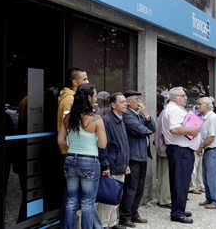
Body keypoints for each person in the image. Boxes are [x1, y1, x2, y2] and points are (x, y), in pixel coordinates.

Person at [57, 83, 108, 229]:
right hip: (89, 161)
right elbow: (103, 144)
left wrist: (73, 142)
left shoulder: (68, 118)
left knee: (71, 201)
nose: (96, 98)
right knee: (87, 203)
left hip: (70, 158)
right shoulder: (96, 119)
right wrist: (93, 140)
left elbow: (60, 140)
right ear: (89, 97)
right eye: (95, 95)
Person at [161, 87, 200, 224]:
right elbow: (175, 129)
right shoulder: (173, 110)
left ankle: (180, 208)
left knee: (182, 182)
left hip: (182, 150)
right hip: (180, 150)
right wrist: (193, 130)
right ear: (173, 97)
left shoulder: (176, 109)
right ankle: (177, 212)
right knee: (179, 182)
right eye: (182, 95)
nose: (185, 97)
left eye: (185, 95)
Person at [56, 67, 89, 226]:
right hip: (72, 152)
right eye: (85, 79)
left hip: (73, 151)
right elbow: (72, 129)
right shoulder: (70, 100)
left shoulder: (73, 97)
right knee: (71, 196)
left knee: (72, 195)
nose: (88, 82)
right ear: (75, 82)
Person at [118, 90, 156, 228]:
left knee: (140, 188)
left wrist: (146, 115)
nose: (140, 102)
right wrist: (146, 122)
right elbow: (142, 130)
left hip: (142, 156)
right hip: (133, 157)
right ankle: (125, 216)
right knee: (131, 188)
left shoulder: (139, 114)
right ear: (128, 102)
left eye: (140, 99)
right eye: (136, 99)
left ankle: (134, 213)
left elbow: (153, 127)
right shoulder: (127, 115)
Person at [97, 92, 131, 229]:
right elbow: (103, 146)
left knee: (116, 195)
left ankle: (112, 223)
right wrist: (105, 165)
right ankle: (104, 224)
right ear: (113, 105)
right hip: (111, 164)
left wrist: (126, 163)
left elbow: (123, 144)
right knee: (107, 196)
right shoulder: (107, 121)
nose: (126, 104)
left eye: (125, 101)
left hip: (120, 163)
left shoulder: (120, 118)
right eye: (122, 102)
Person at [195, 97, 216, 209]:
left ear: (207, 105)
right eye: (197, 104)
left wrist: (201, 147)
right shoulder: (204, 118)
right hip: (208, 150)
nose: (197, 106)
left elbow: (211, 137)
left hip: (213, 150)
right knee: (206, 176)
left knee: (213, 176)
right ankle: (210, 198)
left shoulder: (212, 118)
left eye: (200, 104)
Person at [154, 108, 171, 209]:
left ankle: (161, 198)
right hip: (166, 148)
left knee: (163, 174)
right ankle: (165, 199)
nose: (185, 98)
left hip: (163, 148)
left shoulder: (165, 112)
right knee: (166, 175)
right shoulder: (169, 112)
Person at [189, 100, 205, 195]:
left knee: (200, 167)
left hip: (202, 143)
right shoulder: (193, 116)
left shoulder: (204, 116)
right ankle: (193, 186)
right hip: (195, 144)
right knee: (194, 166)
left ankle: (200, 185)